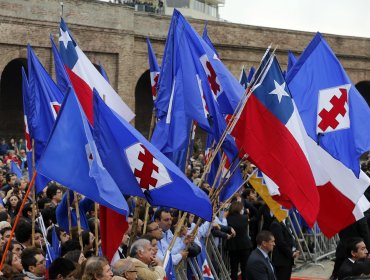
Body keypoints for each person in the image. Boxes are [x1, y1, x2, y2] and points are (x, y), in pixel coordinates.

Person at [226, 201, 252, 280]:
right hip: (244, 245)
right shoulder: (245, 217)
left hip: (232, 245)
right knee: (245, 267)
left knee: (234, 268)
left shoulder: (228, 218)